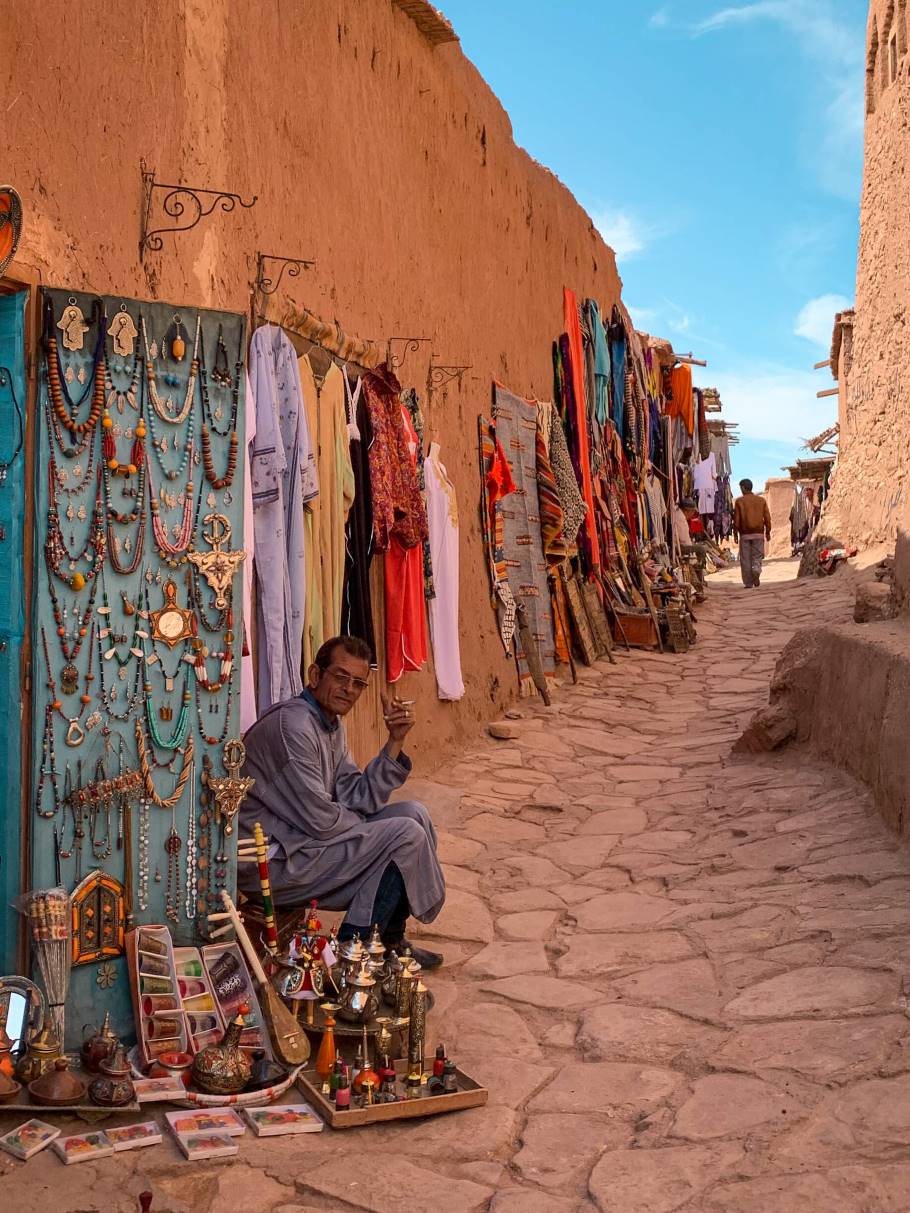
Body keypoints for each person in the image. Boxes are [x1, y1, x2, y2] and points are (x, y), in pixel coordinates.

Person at [238, 635, 446, 968]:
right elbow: (321, 821)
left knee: (414, 814)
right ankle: (355, 956)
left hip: (304, 845)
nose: (349, 689)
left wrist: (395, 741)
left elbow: (355, 795)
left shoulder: (330, 724)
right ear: (315, 675)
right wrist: (373, 833)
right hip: (273, 860)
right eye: (340, 677)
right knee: (403, 836)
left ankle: (389, 941)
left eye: (358, 684)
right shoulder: (292, 726)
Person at [733, 478, 771, 589]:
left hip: (744, 535)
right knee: (757, 555)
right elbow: (767, 518)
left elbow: (737, 520)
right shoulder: (761, 501)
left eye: (741, 488)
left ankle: (748, 583)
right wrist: (768, 532)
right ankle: (756, 569)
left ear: (744, 488)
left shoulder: (739, 501)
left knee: (745, 558)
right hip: (758, 534)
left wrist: (735, 534)